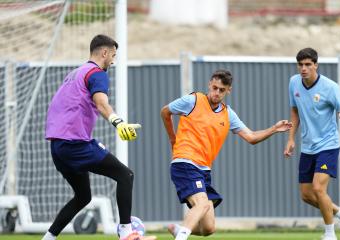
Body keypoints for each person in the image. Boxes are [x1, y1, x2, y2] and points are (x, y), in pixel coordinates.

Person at [43, 34, 155, 240]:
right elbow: (101, 103)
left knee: (83, 197)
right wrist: (118, 123)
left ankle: (48, 238)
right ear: (104, 52)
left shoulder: (75, 73)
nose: (113, 61)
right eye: (112, 55)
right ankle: (126, 232)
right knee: (125, 175)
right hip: (75, 144)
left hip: (58, 147)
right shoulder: (97, 73)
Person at [160, 69, 292, 240]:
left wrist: (273, 129)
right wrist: (172, 139)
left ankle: (180, 230)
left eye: (221, 90)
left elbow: (251, 137)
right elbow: (165, 111)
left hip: (204, 170)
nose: (216, 93)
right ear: (209, 84)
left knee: (208, 228)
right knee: (201, 204)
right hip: (185, 162)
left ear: (228, 90)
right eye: (214, 87)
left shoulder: (228, 114)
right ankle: (182, 236)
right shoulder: (193, 100)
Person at [283, 48, 340, 240]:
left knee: (318, 189)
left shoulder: (330, 88)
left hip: (328, 146)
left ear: (316, 65)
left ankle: (329, 234)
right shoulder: (293, 83)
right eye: (300, 65)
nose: (304, 68)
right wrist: (291, 138)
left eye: (308, 64)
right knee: (307, 195)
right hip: (307, 147)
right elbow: (294, 111)